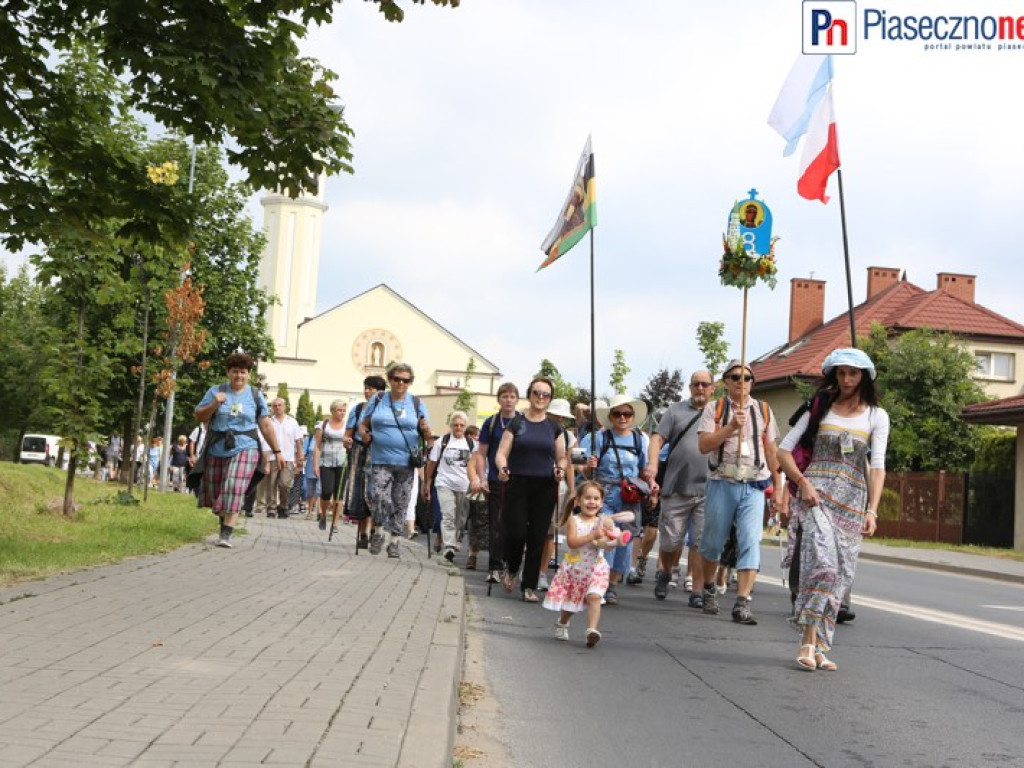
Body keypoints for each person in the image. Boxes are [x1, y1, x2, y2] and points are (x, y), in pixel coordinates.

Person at [777, 348, 889, 672]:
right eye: (840, 373)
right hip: (816, 496)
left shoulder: (876, 416)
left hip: (853, 502)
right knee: (823, 567)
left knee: (840, 577)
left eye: (853, 373)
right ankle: (807, 641)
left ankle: (822, 646)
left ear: (864, 377)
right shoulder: (820, 407)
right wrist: (803, 483)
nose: (846, 379)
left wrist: (873, 510)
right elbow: (783, 451)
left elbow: (878, 467)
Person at [696, 359, 781, 625]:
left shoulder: (764, 410)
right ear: (726, 382)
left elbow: (771, 450)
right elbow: (703, 445)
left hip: (754, 483)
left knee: (750, 541)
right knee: (713, 541)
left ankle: (742, 602)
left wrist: (778, 488)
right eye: (734, 377)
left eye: (745, 378)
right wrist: (731, 426)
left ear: (752, 382)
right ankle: (709, 587)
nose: (740, 382)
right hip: (722, 481)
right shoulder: (715, 408)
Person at [193, 352, 282, 547]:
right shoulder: (216, 391)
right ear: (228, 372)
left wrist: (277, 451)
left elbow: (265, 425)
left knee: (234, 485)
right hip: (217, 446)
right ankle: (224, 523)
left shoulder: (255, 396)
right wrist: (215, 403)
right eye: (235, 372)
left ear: (249, 374)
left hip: (246, 446)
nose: (239, 376)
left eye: (243, 372)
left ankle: (226, 534)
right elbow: (199, 415)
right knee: (218, 491)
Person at [494, 376, 568, 602]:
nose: (541, 398)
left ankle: (529, 586)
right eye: (537, 393)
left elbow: (562, 457)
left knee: (537, 537)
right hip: (518, 482)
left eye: (546, 395)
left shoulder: (554, 427)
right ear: (530, 395)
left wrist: (561, 470)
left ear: (549, 399)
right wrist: (502, 468)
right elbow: (501, 453)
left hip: (544, 485)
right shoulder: (516, 423)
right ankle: (512, 567)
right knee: (516, 533)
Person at [643, 371, 713, 605]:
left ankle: (697, 591)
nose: (700, 388)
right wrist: (652, 463)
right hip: (676, 486)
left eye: (705, 384)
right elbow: (657, 439)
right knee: (671, 541)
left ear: (712, 388)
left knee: (700, 542)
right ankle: (664, 572)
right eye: (696, 384)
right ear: (690, 387)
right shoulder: (675, 411)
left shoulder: (718, 412)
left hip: (708, 489)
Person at [579, 394, 650, 606]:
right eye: (617, 414)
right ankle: (600, 582)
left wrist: (651, 486)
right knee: (607, 538)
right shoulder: (600, 438)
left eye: (627, 414)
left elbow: (644, 470)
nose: (622, 418)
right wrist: (589, 466)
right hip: (605, 494)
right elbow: (583, 471)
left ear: (632, 416)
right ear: (611, 416)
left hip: (629, 496)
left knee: (625, 540)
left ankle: (613, 584)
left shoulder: (639, 440)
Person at [358, 363, 431, 559]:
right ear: (390, 380)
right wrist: (364, 434)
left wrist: (425, 429)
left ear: (410, 383)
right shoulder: (379, 399)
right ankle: (379, 531)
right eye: (397, 379)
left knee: (401, 502)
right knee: (377, 496)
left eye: (405, 380)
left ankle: (395, 542)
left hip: (406, 462)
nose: (400, 383)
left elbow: (427, 433)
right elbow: (363, 424)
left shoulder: (416, 403)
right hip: (380, 459)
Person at [543, 481, 611, 648]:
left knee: (595, 596)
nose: (592, 502)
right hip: (576, 568)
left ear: (601, 503)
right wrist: (593, 535)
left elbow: (606, 544)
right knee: (572, 605)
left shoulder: (602, 521)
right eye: (587, 498)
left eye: (596, 498)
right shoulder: (574, 520)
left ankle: (591, 630)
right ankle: (562, 622)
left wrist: (609, 541)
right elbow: (573, 543)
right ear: (578, 501)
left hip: (596, 568)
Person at [468, 382, 520, 583]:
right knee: (496, 523)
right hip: (496, 479)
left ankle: (509, 561)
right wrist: (482, 478)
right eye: (504, 396)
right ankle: (494, 566)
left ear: (517, 399)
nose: (508, 400)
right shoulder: (491, 423)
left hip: (518, 479)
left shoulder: (523, 422)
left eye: (512, 396)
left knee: (513, 523)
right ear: (499, 399)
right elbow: (481, 454)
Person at [343, 375, 387, 549]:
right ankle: (362, 533)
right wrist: (346, 441)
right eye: (366, 388)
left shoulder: (386, 410)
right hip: (359, 452)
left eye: (371, 388)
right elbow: (347, 434)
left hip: (378, 452)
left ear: (380, 392)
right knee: (360, 493)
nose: (367, 391)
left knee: (376, 493)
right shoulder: (358, 409)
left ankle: (377, 532)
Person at [424, 411, 473, 563]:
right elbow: (432, 463)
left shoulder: (471, 444)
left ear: (465, 427)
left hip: (464, 485)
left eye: (462, 425)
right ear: (451, 426)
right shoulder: (443, 441)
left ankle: (455, 538)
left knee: (460, 519)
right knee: (448, 515)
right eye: (456, 425)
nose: (459, 428)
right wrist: (427, 482)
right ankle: (449, 547)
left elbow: (476, 465)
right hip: (444, 483)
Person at [539, 398, 576, 591]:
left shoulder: (568, 437)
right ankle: (529, 565)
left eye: (562, 417)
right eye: (556, 416)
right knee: (535, 530)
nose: (559, 420)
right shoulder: (538, 430)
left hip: (558, 488)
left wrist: (572, 490)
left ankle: (542, 572)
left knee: (551, 533)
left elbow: (569, 463)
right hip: (537, 483)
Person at [259, 398, 304, 518]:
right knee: (271, 484)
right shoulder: (269, 422)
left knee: (285, 484)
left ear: (285, 407)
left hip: (288, 458)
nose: (277, 407)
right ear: (272, 408)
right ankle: (271, 508)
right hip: (272, 457)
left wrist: (300, 459)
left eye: (280, 405)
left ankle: (283, 506)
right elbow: (264, 443)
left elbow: (298, 441)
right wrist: (266, 461)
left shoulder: (292, 422)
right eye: (275, 405)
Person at [314, 400, 348, 532]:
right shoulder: (323, 425)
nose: (342, 413)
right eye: (339, 410)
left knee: (339, 493)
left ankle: (335, 523)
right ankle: (323, 514)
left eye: (344, 411)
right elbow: (317, 445)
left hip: (342, 461)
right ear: (333, 411)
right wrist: (315, 464)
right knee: (326, 491)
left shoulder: (347, 426)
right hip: (326, 462)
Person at [462, 425, 488, 570]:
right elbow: (471, 465)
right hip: (479, 488)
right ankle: (472, 554)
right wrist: (474, 480)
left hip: (499, 488)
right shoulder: (481, 447)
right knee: (476, 522)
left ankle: (497, 560)